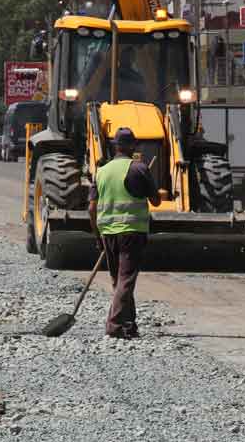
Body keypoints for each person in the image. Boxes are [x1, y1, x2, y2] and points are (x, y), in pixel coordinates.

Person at [89, 128, 161, 339]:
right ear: (133, 146)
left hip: (108, 233)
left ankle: (129, 325)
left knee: (118, 280)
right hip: (131, 232)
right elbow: (156, 201)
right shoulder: (139, 168)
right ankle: (114, 325)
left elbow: (92, 208)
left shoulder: (101, 171)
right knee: (126, 280)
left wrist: (97, 236)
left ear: (115, 146)